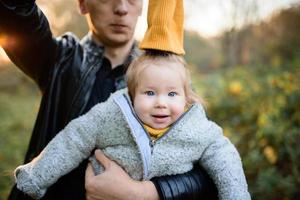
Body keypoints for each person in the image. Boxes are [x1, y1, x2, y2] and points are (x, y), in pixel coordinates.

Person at [0, 0, 217, 199]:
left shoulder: (168, 79)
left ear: (142, 6)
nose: (122, 8)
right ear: (83, 4)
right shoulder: (59, 60)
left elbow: (209, 171)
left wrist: (145, 193)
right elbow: (15, 11)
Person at [14, 51, 251, 200]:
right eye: (149, 92)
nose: (161, 103)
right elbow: (74, 138)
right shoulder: (111, 116)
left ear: (186, 97)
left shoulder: (197, 129)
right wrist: (37, 175)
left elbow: (225, 158)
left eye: (172, 94)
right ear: (131, 94)